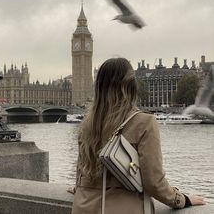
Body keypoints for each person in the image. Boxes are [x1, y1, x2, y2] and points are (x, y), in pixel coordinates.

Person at [70, 58, 206, 214]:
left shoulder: (87, 125)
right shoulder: (144, 122)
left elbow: (83, 172)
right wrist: (182, 199)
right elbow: (154, 182)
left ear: (99, 88)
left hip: (83, 207)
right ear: (132, 87)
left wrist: (78, 188)